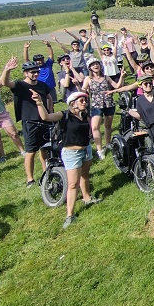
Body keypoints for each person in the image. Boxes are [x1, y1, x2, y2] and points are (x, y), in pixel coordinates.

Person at [31, 90, 99, 229]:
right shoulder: (64, 115)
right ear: (72, 103)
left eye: (85, 100)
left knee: (85, 175)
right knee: (73, 184)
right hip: (71, 153)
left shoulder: (85, 115)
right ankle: (70, 215)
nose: (85, 102)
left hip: (86, 150)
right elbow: (46, 117)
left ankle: (87, 198)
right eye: (81, 101)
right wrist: (39, 102)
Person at [0, 57, 52, 187]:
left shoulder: (42, 85)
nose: (35, 74)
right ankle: (30, 179)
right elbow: (5, 83)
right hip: (30, 122)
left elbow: (49, 97)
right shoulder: (20, 85)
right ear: (25, 73)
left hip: (45, 120)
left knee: (45, 148)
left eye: (36, 72)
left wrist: (50, 112)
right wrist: (7, 70)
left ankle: (47, 172)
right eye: (32, 72)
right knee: (31, 151)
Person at [81, 59, 123, 159]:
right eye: (93, 65)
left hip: (109, 103)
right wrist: (78, 85)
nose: (96, 66)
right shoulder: (88, 79)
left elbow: (116, 86)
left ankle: (108, 144)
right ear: (90, 68)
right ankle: (100, 150)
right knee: (95, 127)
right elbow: (83, 91)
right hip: (96, 105)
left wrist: (121, 76)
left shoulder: (106, 77)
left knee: (108, 126)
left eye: (97, 64)